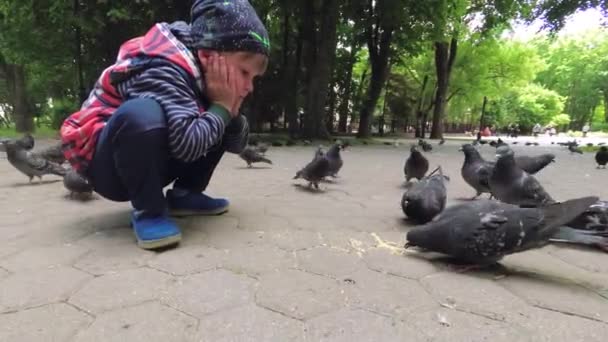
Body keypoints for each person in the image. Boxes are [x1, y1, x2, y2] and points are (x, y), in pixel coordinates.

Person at [60, 0, 270, 249]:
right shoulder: (163, 65)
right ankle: (148, 211)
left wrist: (230, 115)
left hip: (151, 159)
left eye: (254, 78)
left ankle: (185, 195)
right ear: (208, 56)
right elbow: (186, 147)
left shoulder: (208, 75)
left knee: (214, 118)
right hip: (108, 168)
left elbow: (235, 145)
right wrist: (222, 108)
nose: (249, 87)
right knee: (141, 114)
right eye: (245, 73)